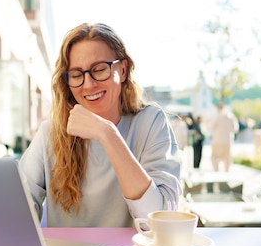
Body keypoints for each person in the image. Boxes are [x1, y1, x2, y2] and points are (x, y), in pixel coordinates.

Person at [18, 22, 182, 227]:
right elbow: (19, 208)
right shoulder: (51, 132)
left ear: (122, 70)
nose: (88, 84)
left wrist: (107, 133)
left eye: (99, 69)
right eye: (77, 75)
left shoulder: (150, 123)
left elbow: (159, 220)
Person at [208, 104, 239, 172]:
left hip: (217, 141)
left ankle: (216, 172)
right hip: (228, 141)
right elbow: (235, 128)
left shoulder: (216, 116)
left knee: (215, 157)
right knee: (227, 158)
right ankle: (226, 172)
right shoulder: (231, 116)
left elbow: (210, 127)